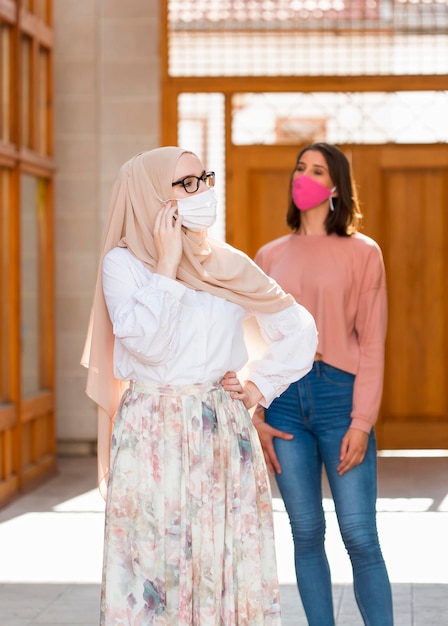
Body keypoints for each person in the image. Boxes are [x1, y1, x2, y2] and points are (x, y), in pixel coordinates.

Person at [81, 146, 318, 625]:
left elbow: (299, 329)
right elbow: (147, 345)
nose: (203, 191)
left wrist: (257, 387)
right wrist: (167, 265)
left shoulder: (224, 263)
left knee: (224, 561)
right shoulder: (122, 266)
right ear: (150, 195)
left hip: (219, 429)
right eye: (186, 183)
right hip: (151, 430)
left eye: (204, 178)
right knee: (152, 567)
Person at [253, 142, 393, 626]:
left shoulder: (363, 252)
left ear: (335, 187)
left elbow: (372, 342)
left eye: (316, 170)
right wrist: (257, 418)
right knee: (306, 533)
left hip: (340, 399)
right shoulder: (268, 255)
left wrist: (362, 420)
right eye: (299, 167)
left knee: (359, 534)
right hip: (284, 403)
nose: (304, 176)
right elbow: (252, 345)